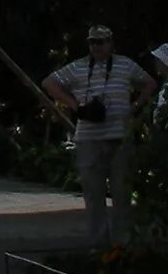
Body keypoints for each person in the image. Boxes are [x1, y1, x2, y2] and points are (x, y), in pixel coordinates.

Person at [44, 24, 155, 247]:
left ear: (111, 43)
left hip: (119, 136)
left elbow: (149, 83)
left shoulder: (125, 65)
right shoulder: (79, 67)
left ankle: (123, 245)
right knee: (94, 196)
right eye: (92, 42)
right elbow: (49, 83)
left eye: (101, 42)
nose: (96, 47)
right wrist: (75, 106)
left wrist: (134, 107)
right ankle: (98, 246)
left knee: (122, 193)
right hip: (89, 137)